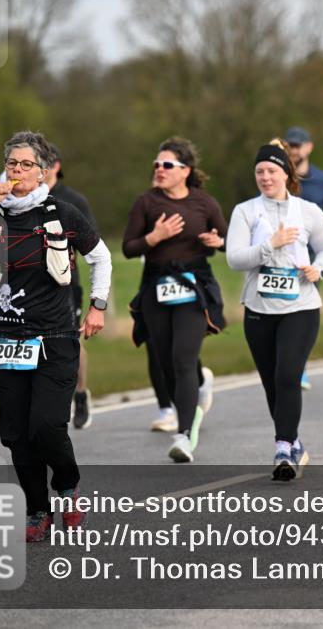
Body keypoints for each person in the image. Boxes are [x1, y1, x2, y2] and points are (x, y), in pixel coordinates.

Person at [0, 130, 112, 542]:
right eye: (12, 164)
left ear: (44, 171)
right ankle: (37, 510)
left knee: (47, 426)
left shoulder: (63, 213)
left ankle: (67, 488)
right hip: (5, 339)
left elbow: (100, 257)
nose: (17, 171)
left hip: (54, 337)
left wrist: (98, 307)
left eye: (26, 164)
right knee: (16, 434)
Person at [226, 139, 323, 481]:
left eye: (272, 170)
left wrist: (319, 269)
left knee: (288, 374)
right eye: (259, 171)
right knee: (273, 383)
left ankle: (283, 446)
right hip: (259, 309)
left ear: (286, 173)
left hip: (301, 306)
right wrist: (269, 246)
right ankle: (296, 442)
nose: (265, 177)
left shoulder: (307, 211)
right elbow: (234, 258)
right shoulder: (245, 211)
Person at [123, 137, 227, 463]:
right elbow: (129, 247)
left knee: (183, 358)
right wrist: (155, 237)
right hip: (156, 286)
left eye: (167, 165)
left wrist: (217, 240)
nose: (159, 170)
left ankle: (184, 434)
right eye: (156, 164)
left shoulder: (205, 203)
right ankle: (197, 388)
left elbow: (226, 241)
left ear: (185, 170)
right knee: (165, 359)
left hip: (193, 288)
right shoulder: (146, 203)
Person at [285, 126, 323, 390]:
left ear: (309, 147)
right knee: (282, 308)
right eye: (290, 145)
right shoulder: (278, 176)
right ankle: (287, 361)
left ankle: (299, 365)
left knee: (303, 310)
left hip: (310, 258)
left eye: (298, 145)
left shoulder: (322, 180)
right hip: (281, 254)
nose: (294, 150)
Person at [41, 143, 98, 429]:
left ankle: (80, 393)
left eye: (45, 163)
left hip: (65, 284)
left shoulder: (73, 200)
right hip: (29, 285)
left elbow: (92, 244)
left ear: (57, 166)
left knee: (70, 342)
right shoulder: (23, 198)